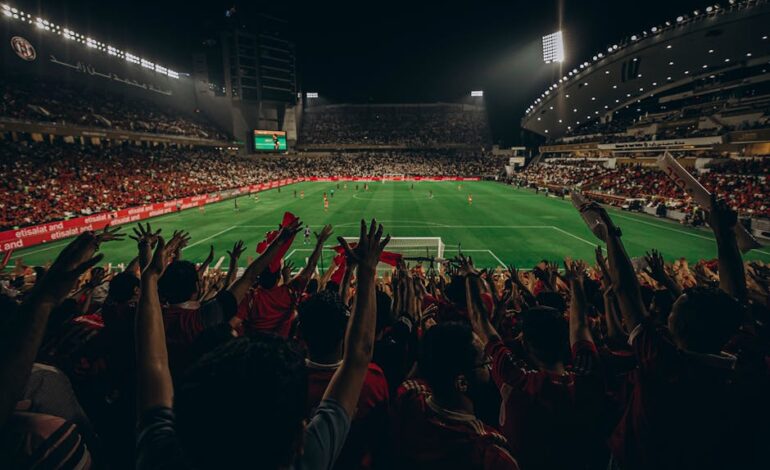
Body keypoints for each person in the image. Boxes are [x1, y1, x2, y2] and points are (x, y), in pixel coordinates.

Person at [135, 219, 391, 470]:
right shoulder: (308, 459)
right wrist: (366, 272)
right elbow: (359, 356)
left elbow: (154, 362)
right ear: (300, 439)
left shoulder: (165, 457)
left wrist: (149, 277)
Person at [393, 322, 519, 469]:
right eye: (485, 362)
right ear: (462, 383)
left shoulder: (407, 399)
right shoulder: (490, 455)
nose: (490, 368)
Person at [299, 290, 390, 469]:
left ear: (299, 332)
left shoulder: (288, 381)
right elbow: (384, 436)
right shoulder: (372, 379)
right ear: (346, 332)